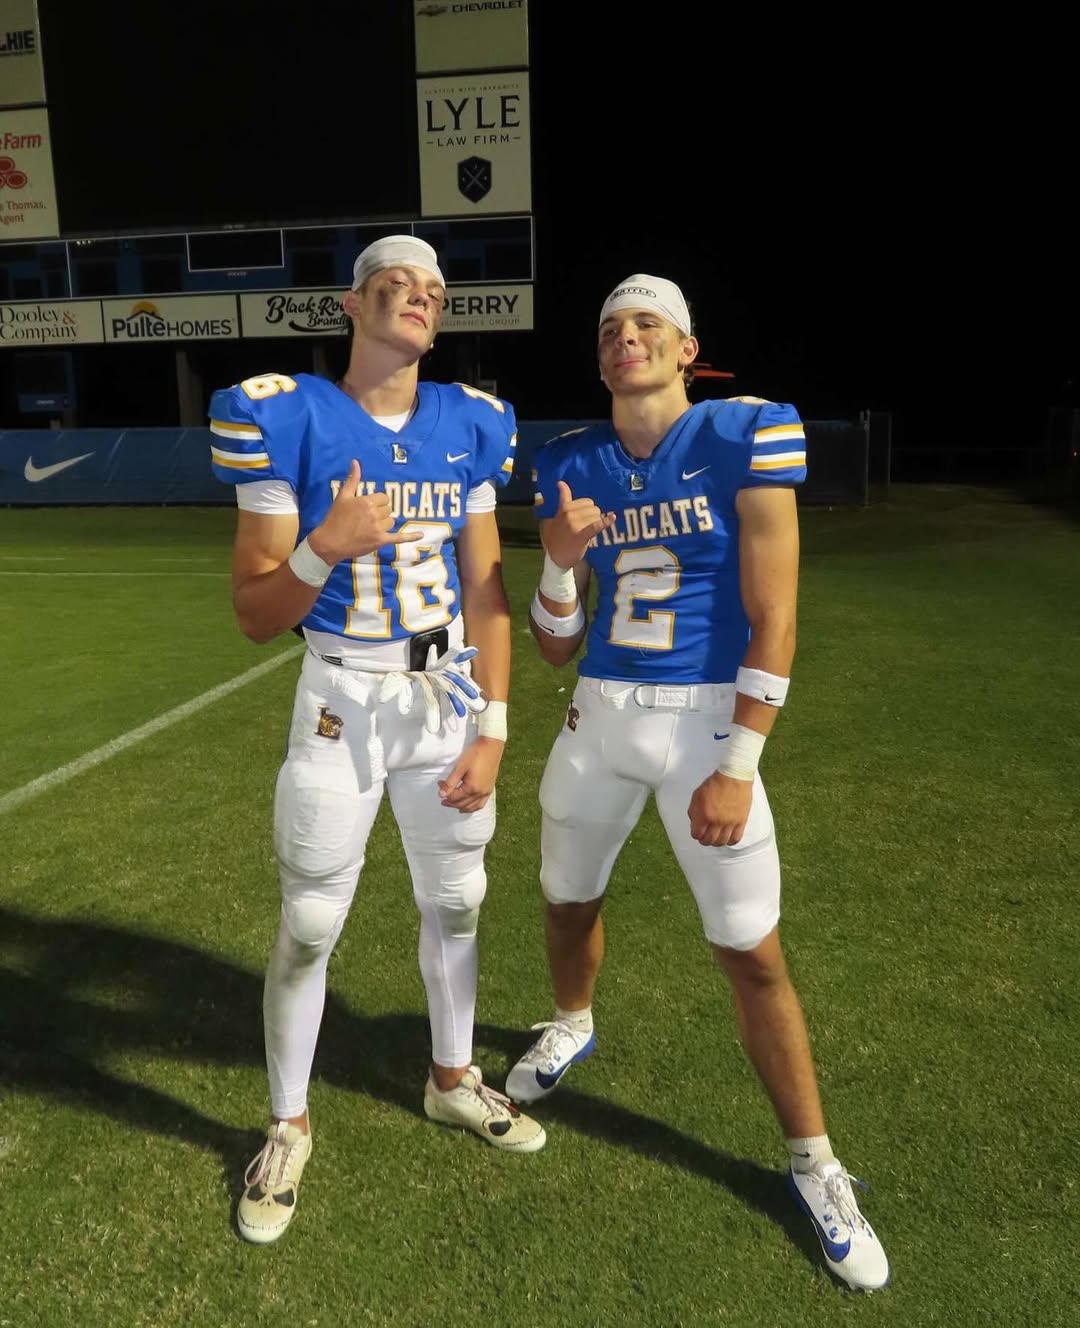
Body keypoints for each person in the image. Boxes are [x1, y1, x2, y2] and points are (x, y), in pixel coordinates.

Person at [505, 274, 890, 1292]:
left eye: (648, 325)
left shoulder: (741, 433)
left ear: (686, 348)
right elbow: (554, 644)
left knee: (751, 951)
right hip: (598, 713)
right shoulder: (571, 460)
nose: (625, 337)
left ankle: (815, 1161)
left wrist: (739, 764)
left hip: (707, 723)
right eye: (610, 328)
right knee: (564, 896)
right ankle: (572, 1021)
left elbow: (776, 617)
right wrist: (556, 565)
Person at [209, 234, 545, 1247]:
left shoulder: (473, 421)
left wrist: (493, 726)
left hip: (445, 699)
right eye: (394, 284)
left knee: (460, 900)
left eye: (432, 289)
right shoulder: (286, 415)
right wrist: (325, 546)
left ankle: (452, 1077)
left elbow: (487, 589)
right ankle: (287, 1123)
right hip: (341, 699)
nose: (417, 296)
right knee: (312, 920)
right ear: (352, 306)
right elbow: (256, 613)